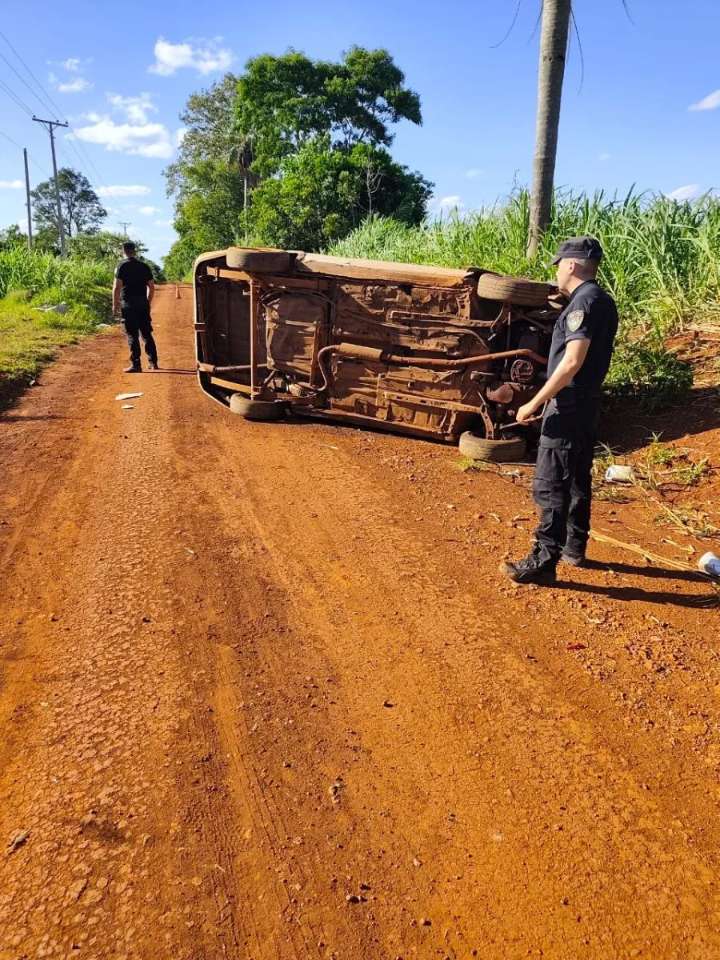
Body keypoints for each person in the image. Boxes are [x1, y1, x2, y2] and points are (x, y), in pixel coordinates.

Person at [502, 236, 618, 586]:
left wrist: (534, 402)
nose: (556, 273)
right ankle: (573, 546)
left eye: (559, 265)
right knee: (578, 476)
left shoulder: (582, 304)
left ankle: (543, 560)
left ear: (570, 265)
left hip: (566, 406)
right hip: (586, 405)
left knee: (552, 482)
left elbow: (571, 361)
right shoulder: (604, 301)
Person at [112, 241, 159, 373]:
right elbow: (151, 287)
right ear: (134, 250)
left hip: (128, 304)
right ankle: (153, 362)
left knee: (132, 334)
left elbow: (117, 287)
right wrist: (148, 301)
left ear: (124, 251)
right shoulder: (144, 266)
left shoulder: (121, 266)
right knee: (146, 333)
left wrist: (115, 305)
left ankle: (136, 365)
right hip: (142, 303)